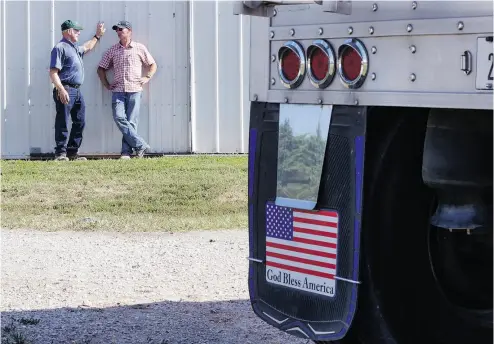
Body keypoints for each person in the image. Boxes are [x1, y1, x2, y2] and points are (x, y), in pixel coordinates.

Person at [97, 20, 157, 159]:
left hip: (135, 89)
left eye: (121, 29)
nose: (118, 32)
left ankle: (126, 152)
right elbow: (101, 69)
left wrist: (147, 77)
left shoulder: (139, 48)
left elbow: (152, 64)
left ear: (129, 31)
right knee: (119, 117)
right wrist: (106, 83)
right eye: (117, 30)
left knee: (131, 122)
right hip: (118, 90)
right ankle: (140, 145)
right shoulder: (112, 50)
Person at [50, 19, 106, 161]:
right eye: (76, 30)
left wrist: (97, 36)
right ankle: (60, 154)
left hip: (77, 91)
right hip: (66, 89)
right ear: (68, 31)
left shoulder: (74, 48)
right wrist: (61, 90)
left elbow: (87, 47)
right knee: (62, 121)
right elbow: (53, 72)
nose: (79, 32)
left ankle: (72, 152)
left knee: (79, 121)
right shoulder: (60, 47)